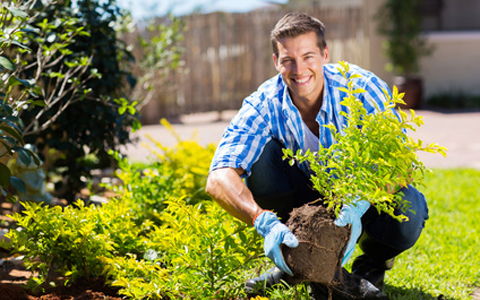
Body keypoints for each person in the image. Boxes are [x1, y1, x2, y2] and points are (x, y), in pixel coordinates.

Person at [205, 12, 428, 296]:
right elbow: (219, 176)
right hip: (302, 204)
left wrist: (359, 202)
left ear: (325, 54)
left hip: (360, 197)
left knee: (408, 208)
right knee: (260, 157)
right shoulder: (264, 103)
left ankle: (372, 263)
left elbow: (401, 163)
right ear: (276, 63)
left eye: (308, 56)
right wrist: (261, 219)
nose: (299, 70)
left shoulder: (360, 88)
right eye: (288, 60)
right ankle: (296, 258)